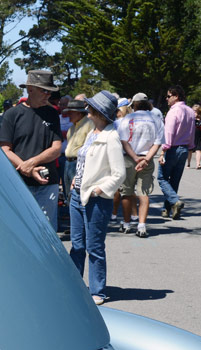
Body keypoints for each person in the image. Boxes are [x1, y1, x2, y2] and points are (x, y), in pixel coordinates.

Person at [68, 91, 124, 306]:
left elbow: (118, 174)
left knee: (95, 247)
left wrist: (100, 189)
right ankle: (74, 286)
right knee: (77, 244)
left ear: (99, 112)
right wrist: (76, 179)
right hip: (77, 195)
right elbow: (85, 162)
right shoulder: (92, 133)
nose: (87, 111)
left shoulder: (111, 137)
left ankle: (98, 290)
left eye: (90, 108)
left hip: (96, 199)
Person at [0, 70, 63, 232]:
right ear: (30, 89)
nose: (48, 95)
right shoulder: (12, 114)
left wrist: (31, 163)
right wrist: (28, 169)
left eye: (50, 91)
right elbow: (5, 149)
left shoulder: (52, 113)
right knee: (19, 231)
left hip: (47, 183)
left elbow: (56, 149)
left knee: (47, 232)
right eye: (44, 90)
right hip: (18, 184)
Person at [116, 93, 162, 238]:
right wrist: (146, 159)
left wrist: (135, 158)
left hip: (129, 159)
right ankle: (141, 225)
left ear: (134, 105)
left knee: (127, 192)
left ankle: (126, 223)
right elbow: (158, 142)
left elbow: (124, 141)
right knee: (144, 193)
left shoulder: (127, 119)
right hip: (146, 159)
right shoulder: (156, 119)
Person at [158, 85, 194, 220]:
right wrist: (191, 146)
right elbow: (192, 131)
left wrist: (163, 151)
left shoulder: (173, 112)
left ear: (176, 96)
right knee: (174, 180)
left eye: (168, 96)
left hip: (172, 148)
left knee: (162, 178)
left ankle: (174, 201)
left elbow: (169, 132)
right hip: (184, 148)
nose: (166, 99)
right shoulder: (190, 111)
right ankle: (167, 208)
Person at [63, 99, 92, 197]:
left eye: (71, 113)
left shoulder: (89, 125)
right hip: (68, 163)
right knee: (69, 194)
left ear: (79, 114)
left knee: (76, 194)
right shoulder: (72, 127)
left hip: (78, 163)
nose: (68, 115)